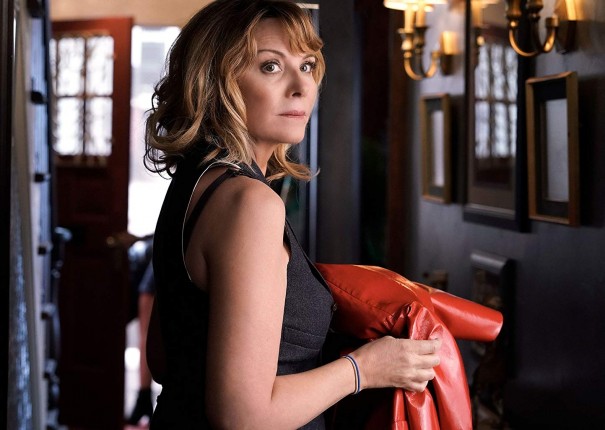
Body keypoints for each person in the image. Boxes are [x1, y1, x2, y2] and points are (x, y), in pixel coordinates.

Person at [144, 1, 442, 428]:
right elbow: (243, 417)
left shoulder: (195, 184)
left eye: (307, 65)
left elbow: (164, 358)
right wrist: (365, 369)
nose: (302, 86)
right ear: (215, 82)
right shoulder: (251, 203)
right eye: (270, 66)